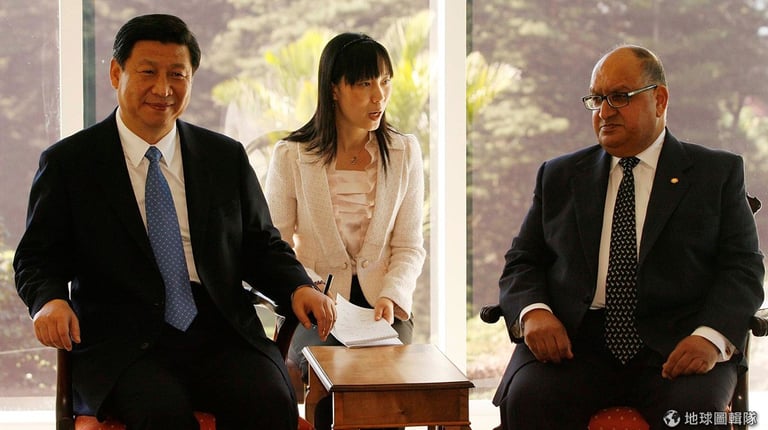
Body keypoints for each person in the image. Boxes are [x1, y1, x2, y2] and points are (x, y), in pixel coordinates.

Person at [13, 14, 336, 430]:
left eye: (177, 75)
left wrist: (297, 286)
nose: (163, 89)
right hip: (123, 340)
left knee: (269, 401)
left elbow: (261, 244)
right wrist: (49, 301)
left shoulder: (224, 157)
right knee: (160, 414)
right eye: (148, 72)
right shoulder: (70, 163)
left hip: (220, 328)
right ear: (116, 73)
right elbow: (37, 259)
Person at [492, 44, 764, 430]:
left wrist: (710, 336)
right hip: (574, 345)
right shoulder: (560, 175)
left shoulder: (715, 173)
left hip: (678, 345)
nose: (604, 112)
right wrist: (534, 311)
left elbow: (743, 269)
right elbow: (523, 260)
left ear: (660, 99)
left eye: (619, 97)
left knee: (694, 414)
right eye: (597, 99)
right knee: (528, 399)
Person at [264, 31, 426, 413]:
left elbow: (409, 245)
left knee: (385, 391)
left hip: (382, 309)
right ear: (334, 88)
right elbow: (274, 246)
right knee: (329, 387)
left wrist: (392, 295)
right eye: (364, 83)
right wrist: (307, 288)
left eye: (385, 81)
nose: (379, 96)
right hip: (315, 306)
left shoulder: (404, 151)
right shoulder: (291, 155)